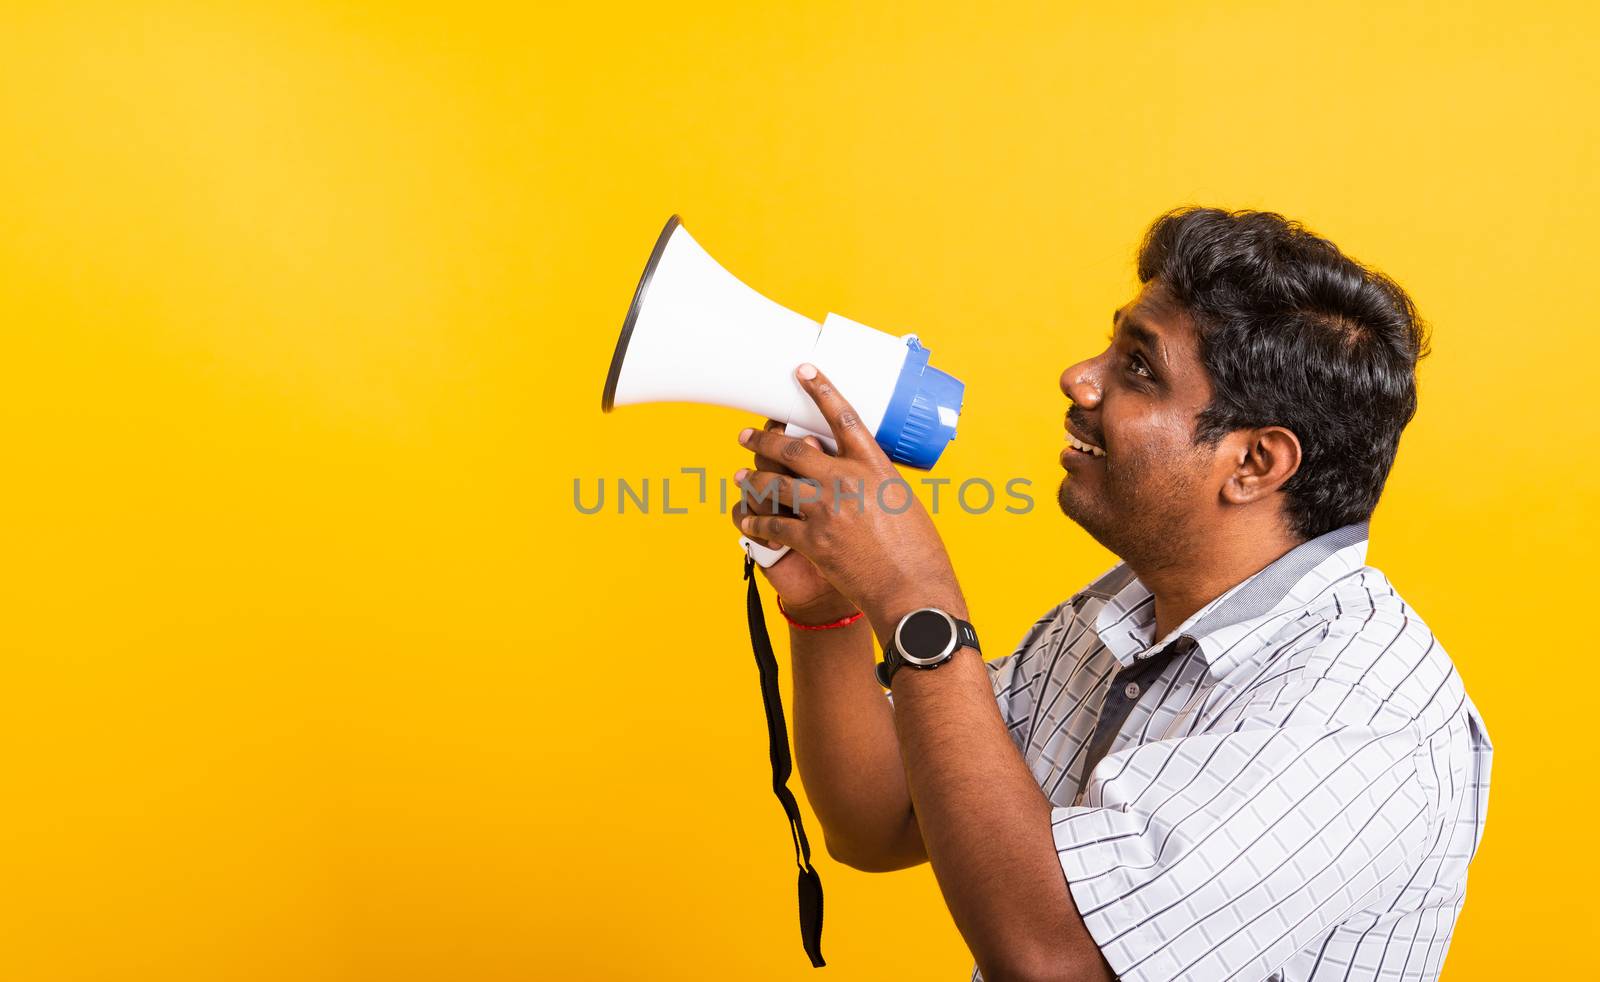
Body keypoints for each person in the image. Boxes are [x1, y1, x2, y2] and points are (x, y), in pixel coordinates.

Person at [729, 207, 1492, 982]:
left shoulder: (1358, 717)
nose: (1078, 378)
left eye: (1138, 368)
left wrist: (915, 596)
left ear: (1256, 462)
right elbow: (881, 819)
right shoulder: (1125, 613)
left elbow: (1056, 963)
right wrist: (833, 609)